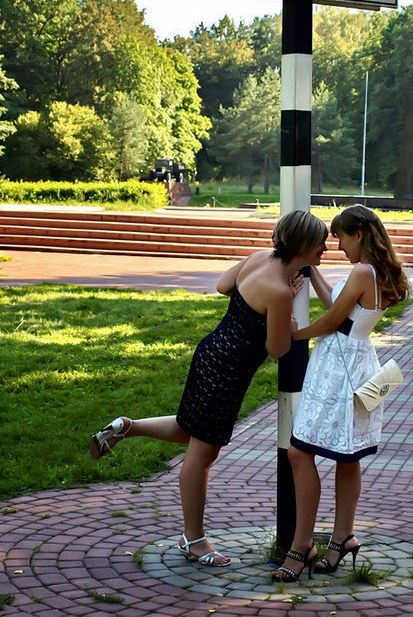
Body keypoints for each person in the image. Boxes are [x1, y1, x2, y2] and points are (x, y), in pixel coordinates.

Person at [89, 209, 328, 567]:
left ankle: (127, 427)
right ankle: (194, 539)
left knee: (191, 429)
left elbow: (223, 285)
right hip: (228, 372)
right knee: (202, 455)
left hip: (210, 353)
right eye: (321, 243)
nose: (325, 248)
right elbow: (277, 348)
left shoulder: (259, 258)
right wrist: (290, 314)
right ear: (306, 245)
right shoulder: (280, 290)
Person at [272, 204, 411, 582]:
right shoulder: (375, 272)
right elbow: (338, 306)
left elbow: (332, 320)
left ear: (360, 234)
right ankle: (341, 538)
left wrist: (291, 336)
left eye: (341, 237)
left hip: (340, 369)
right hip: (361, 364)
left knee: (301, 450)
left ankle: (302, 545)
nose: (337, 246)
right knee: (348, 458)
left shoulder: (363, 271)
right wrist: (311, 268)